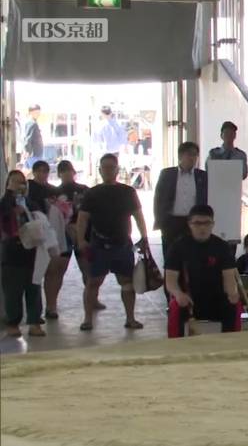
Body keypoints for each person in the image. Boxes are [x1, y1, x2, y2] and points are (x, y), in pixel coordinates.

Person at [77, 153, 148, 331]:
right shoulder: (92, 193)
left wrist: (144, 236)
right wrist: (81, 240)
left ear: (117, 170)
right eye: (105, 167)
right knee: (93, 282)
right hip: (99, 244)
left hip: (122, 244)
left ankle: (130, 318)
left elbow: (138, 216)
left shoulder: (128, 192)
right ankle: (87, 319)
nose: (108, 170)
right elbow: (82, 219)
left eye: (111, 167)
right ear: (100, 170)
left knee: (127, 283)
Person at [165, 204, 239, 336]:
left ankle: (230, 343)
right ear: (190, 224)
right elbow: (170, 282)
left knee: (233, 304)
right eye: (197, 223)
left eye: (207, 223)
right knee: (176, 307)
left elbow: (229, 278)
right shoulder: (177, 247)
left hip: (216, 298)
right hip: (188, 299)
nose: (202, 227)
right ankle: (176, 345)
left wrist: (232, 293)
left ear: (213, 224)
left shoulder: (222, 247)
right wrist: (178, 294)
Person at [154, 141, 208, 302]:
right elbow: (158, 198)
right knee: (171, 260)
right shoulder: (167, 174)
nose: (192, 158)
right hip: (172, 223)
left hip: (193, 223)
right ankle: (171, 299)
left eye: (195, 155)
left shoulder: (202, 176)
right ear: (180, 156)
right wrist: (161, 221)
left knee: (194, 259)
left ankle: (193, 295)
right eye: (189, 154)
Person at [43, 161, 92, 319]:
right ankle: (51, 306)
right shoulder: (53, 192)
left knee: (88, 269)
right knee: (56, 270)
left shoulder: (85, 190)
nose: (66, 174)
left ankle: (93, 299)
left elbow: (94, 212)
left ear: (74, 172)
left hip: (83, 234)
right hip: (61, 236)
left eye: (69, 170)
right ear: (59, 174)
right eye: (63, 171)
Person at [1, 170, 47, 337]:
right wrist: (12, 205)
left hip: (32, 253)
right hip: (12, 253)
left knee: (34, 287)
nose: (20, 185)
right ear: (8, 183)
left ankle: (34, 322)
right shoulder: (4, 203)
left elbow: (42, 219)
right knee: (13, 291)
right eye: (15, 181)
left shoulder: (31, 203)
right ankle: (13, 323)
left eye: (22, 182)